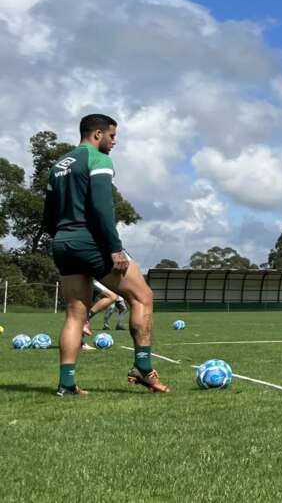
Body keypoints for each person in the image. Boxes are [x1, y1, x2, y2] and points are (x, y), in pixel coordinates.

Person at [43, 114, 169, 395]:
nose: (115, 141)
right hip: (91, 242)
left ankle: (67, 384)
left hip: (63, 242)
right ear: (97, 134)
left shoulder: (58, 166)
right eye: (112, 136)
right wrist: (114, 248)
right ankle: (143, 367)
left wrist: (65, 236)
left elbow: (49, 216)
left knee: (75, 314)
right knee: (142, 297)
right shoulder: (98, 160)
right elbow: (102, 208)